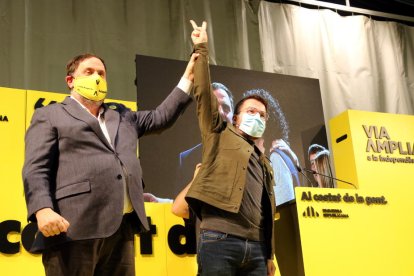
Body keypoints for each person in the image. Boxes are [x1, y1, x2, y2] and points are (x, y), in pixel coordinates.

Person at [22, 52, 196, 275]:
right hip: (73, 227)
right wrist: (42, 209)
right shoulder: (50, 115)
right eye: (89, 72)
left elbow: (162, 116)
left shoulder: (123, 116)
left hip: (121, 229)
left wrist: (189, 75)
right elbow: (36, 168)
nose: (96, 77)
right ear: (70, 81)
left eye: (101, 74)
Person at [185, 20, 276, 276]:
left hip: (258, 249)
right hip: (220, 239)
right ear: (235, 118)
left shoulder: (264, 160)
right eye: (250, 111)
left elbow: (267, 209)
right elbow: (203, 92)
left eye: (262, 115)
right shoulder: (218, 131)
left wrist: (270, 253)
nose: (257, 117)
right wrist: (201, 49)